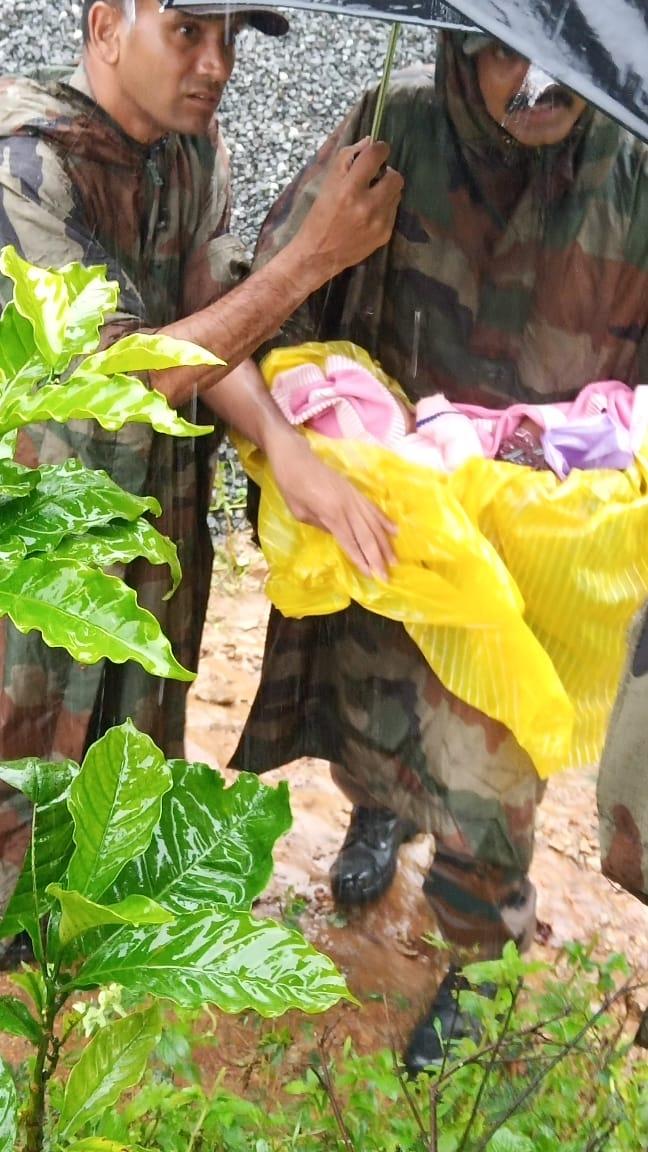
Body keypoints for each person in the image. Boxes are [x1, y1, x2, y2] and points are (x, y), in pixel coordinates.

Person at [232, 31, 648, 1071]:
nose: (539, 81)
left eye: (564, 56)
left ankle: (477, 960)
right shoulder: (397, 125)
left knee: (487, 766)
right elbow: (269, 291)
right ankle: (379, 808)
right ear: (464, 47)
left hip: (540, 543)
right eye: (511, 50)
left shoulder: (634, 161)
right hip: (399, 508)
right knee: (374, 699)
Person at [0, 0, 403, 928]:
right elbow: (121, 373)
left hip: (155, 517)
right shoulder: (26, 165)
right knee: (27, 734)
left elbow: (209, 303)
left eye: (232, 37)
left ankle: (100, 920)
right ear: (107, 28)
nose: (217, 63)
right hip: (46, 535)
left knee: (135, 728)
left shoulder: (192, 154)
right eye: (188, 31)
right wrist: (308, 260)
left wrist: (289, 450)